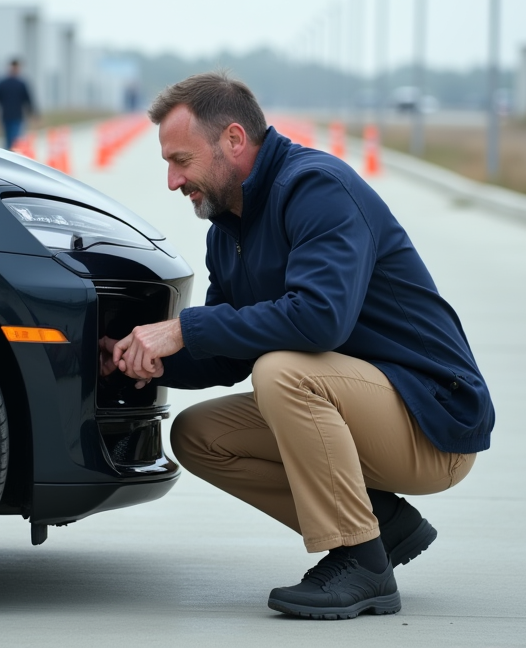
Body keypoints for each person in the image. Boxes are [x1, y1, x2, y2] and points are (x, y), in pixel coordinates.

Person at [106, 72, 495, 620]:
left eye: (182, 161)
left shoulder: (315, 188)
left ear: (234, 141)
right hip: (360, 408)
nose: (173, 180)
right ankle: (383, 525)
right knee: (198, 435)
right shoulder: (229, 227)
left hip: (432, 419)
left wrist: (181, 329)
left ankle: (361, 564)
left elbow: (320, 321)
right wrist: (144, 361)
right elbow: (227, 351)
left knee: (284, 372)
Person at [0, 58, 35, 150]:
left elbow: (28, 100)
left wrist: (32, 114)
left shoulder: (21, 84)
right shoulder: (3, 83)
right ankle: (9, 156)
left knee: (14, 139)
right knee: (8, 140)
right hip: (6, 116)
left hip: (17, 116)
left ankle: (11, 155)